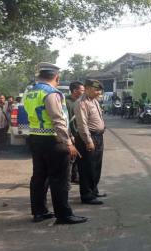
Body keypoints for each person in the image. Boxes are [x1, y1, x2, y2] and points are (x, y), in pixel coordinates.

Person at [23, 62, 87, 224]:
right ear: (56, 77)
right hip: (53, 140)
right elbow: (58, 119)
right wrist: (69, 143)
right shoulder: (52, 93)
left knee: (39, 176)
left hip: (36, 138)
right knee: (59, 179)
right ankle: (64, 215)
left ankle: (39, 211)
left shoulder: (31, 92)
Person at [74, 79, 106, 205]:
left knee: (96, 166)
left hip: (98, 137)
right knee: (87, 168)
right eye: (96, 89)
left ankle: (94, 190)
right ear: (87, 89)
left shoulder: (94, 101)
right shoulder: (81, 103)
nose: (98, 92)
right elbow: (82, 124)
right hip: (88, 138)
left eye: (99, 90)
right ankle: (87, 195)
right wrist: (88, 141)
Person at [66, 81, 85, 184]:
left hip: (78, 134)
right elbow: (65, 121)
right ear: (75, 91)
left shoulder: (79, 101)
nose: (83, 92)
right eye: (82, 90)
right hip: (72, 135)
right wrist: (70, 135)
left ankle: (75, 176)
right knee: (70, 159)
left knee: (77, 157)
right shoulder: (67, 103)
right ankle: (67, 181)